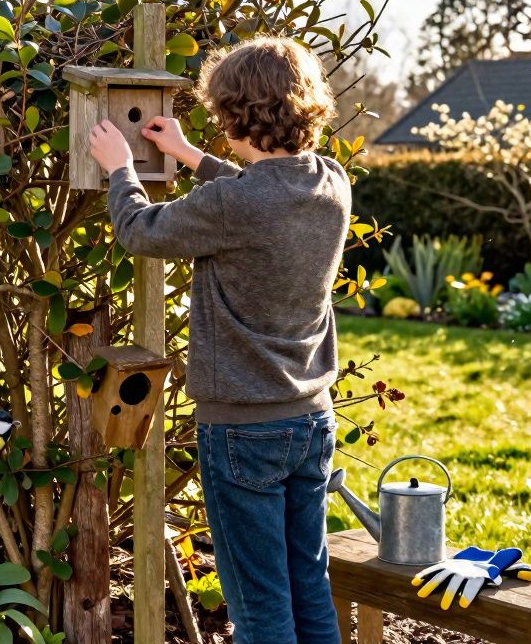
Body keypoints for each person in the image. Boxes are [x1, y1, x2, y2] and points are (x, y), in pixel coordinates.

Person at [88, 36, 349, 644]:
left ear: (237, 116)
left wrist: (121, 169)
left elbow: (140, 229)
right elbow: (263, 196)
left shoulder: (233, 203)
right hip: (311, 421)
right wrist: (189, 155)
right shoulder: (331, 184)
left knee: (260, 610)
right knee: (309, 589)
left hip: (242, 431)